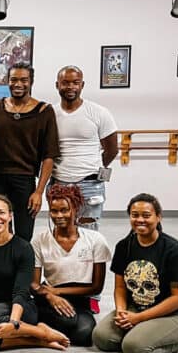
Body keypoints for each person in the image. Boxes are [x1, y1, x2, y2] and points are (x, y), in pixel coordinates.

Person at [0, 195, 70, 352]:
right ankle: (39, 340)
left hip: (19, 307)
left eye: (1, 213)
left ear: (10, 215)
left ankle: (39, 331)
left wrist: (13, 324)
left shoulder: (23, 248)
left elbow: (20, 291)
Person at [92, 193, 178, 353]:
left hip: (172, 314)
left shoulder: (175, 251)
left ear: (158, 217)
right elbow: (120, 287)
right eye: (135, 215)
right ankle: (143, 332)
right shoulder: (124, 246)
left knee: (135, 348)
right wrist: (121, 311)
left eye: (146, 215)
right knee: (102, 338)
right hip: (136, 308)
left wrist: (139, 319)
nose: (140, 220)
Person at [0, 62, 59, 241]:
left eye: (24, 80)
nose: (18, 84)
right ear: (7, 81)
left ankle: (21, 267)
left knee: (24, 233)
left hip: (25, 180)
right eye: (14, 79)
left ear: (31, 82)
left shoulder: (44, 111)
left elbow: (49, 156)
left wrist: (39, 192)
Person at [31, 184, 111, 347]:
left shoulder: (95, 240)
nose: (59, 215)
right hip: (49, 299)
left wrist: (58, 291)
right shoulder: (40, 240)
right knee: (67, 322)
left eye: (64, 210)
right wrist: (50, 295)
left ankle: (46, 329)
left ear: (76, 209)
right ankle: (42, 329)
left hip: (80, 300)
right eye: (54, 211)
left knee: (85, 336)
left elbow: (96, 287)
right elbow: (34, 283)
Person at [52, 65, 119, 231]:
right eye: (65, 82)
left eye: (75, 82)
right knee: (63, 232)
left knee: (88, 233)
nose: (70, 87)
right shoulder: (50, 113)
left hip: (90, 184)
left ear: (82, 85)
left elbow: (112, 149)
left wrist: (93, 167)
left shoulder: (99, 112)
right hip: (59, 183)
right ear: (57, 85)